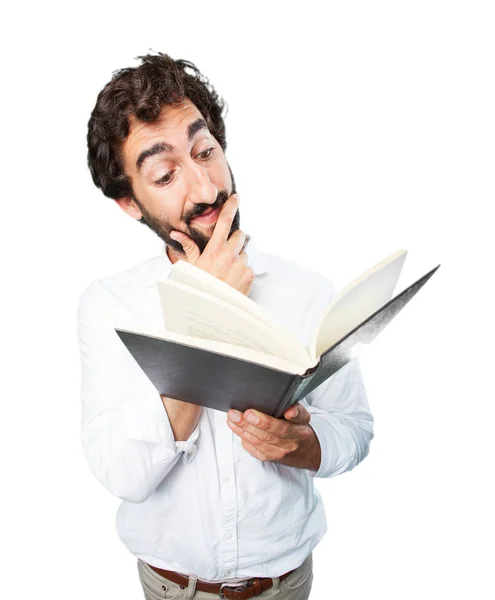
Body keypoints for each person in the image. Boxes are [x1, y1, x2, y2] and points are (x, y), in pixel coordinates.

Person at [79, 51, 374, 600]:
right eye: (166, 174)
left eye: (205, 151)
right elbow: (122, 474)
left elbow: (355, 430)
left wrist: (303, 445)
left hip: (287, 585)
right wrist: (211, 310)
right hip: (170, 589)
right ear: (129, 202)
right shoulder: (108, 306)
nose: (204, 187)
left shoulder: (306, 290)